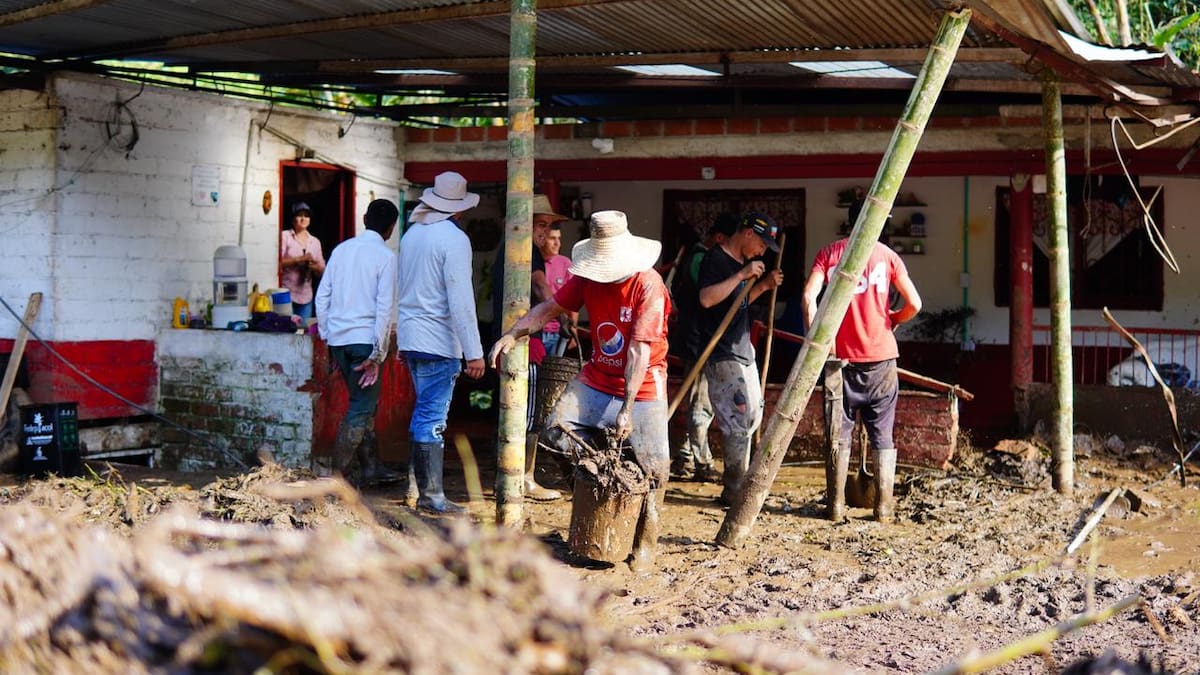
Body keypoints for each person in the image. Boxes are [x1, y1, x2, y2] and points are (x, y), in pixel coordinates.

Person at [489, 210, 671, 571]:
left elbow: (639, 350)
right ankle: (601, 487)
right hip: (597, 376)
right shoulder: (587, 277)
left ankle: (645, 541)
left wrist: (627, 408)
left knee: (655, 468)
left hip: (644, 383)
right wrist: (514, 332)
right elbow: (550, 307)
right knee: (555, 435)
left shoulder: (648, 285)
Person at [800, 224, 922, 523]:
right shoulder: (888, 255)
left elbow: (807, 297)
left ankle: (837, 506)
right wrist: (892, 319)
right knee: (882, 436)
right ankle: (882, 508)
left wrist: (821, 339)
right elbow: (915, 304)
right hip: (881, 359)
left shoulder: (830, 253)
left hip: (839, 359)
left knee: (839, 435)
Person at [398, 171, 487, 514]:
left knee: (423, 413)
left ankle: (417, 490)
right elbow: (461, 301)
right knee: (431, 417)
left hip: (412, 337)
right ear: (459, 210)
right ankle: (431, 496)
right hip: (438, 340)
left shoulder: (412, 234)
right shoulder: (453, 239)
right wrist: (474, 353)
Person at [697, 212, 783, 505]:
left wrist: (764, 285)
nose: (762, 251)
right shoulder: (716, 260)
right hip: (722, 353)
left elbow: (740, 305)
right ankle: (734, 489)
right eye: (761, 244)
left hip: (744, 350)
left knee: (753, 415)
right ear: (747, 234)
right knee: (738, 419)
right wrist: (742, 275)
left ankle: (739, 483)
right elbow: (707, 299)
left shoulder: (741, 267)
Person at [314, 199, 401, 487]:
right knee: (362, 408)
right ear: (391, 228)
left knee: (364, 405)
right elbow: (384, 308)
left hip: (340, 341)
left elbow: (322, 296)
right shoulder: (385, 257)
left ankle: (371, 468)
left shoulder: (341, 250)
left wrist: (328, 335)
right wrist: (378, 353)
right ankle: (338, 477)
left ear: (364, 218)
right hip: (365, 342)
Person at [491, 193, 570, 501]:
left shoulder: (511, 248)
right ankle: (523, 479)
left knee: (519, 412)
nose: (544, 231)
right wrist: (559, 312)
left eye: (548, 225)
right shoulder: (527, 251)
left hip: (513, 338)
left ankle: (513, 477)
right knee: (527, 414)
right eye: (540, 224)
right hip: (524, 341)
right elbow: (540, 287)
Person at [669, 212, 738, 483]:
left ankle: (684, 457)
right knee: (701, 403)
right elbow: (708, 298)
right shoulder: (702, 259)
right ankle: (702, 462)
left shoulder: (700, 256)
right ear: (720, 238)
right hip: (699, 340)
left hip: (698, 338)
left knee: (696, 399)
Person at [280, 201, 326, 319]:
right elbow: (278, 262)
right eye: (299, 215)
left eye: (306, 216)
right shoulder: (285, 236)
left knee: (303, 334)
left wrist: (312, 265)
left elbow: (322, 270)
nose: (303, 219)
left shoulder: (315, 242)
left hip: (306, 297)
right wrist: (299, 259)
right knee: (286, 331)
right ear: (293, 218)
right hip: (286, 294)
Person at [539, 220, 577, 358]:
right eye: (552, 238)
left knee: (553, 375)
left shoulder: (565, 263)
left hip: (558, 332)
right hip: (534, 331)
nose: (557, 243)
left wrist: (573, 331)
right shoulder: (531, 262)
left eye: (559, 238)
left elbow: (574, 300)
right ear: (541, 239)